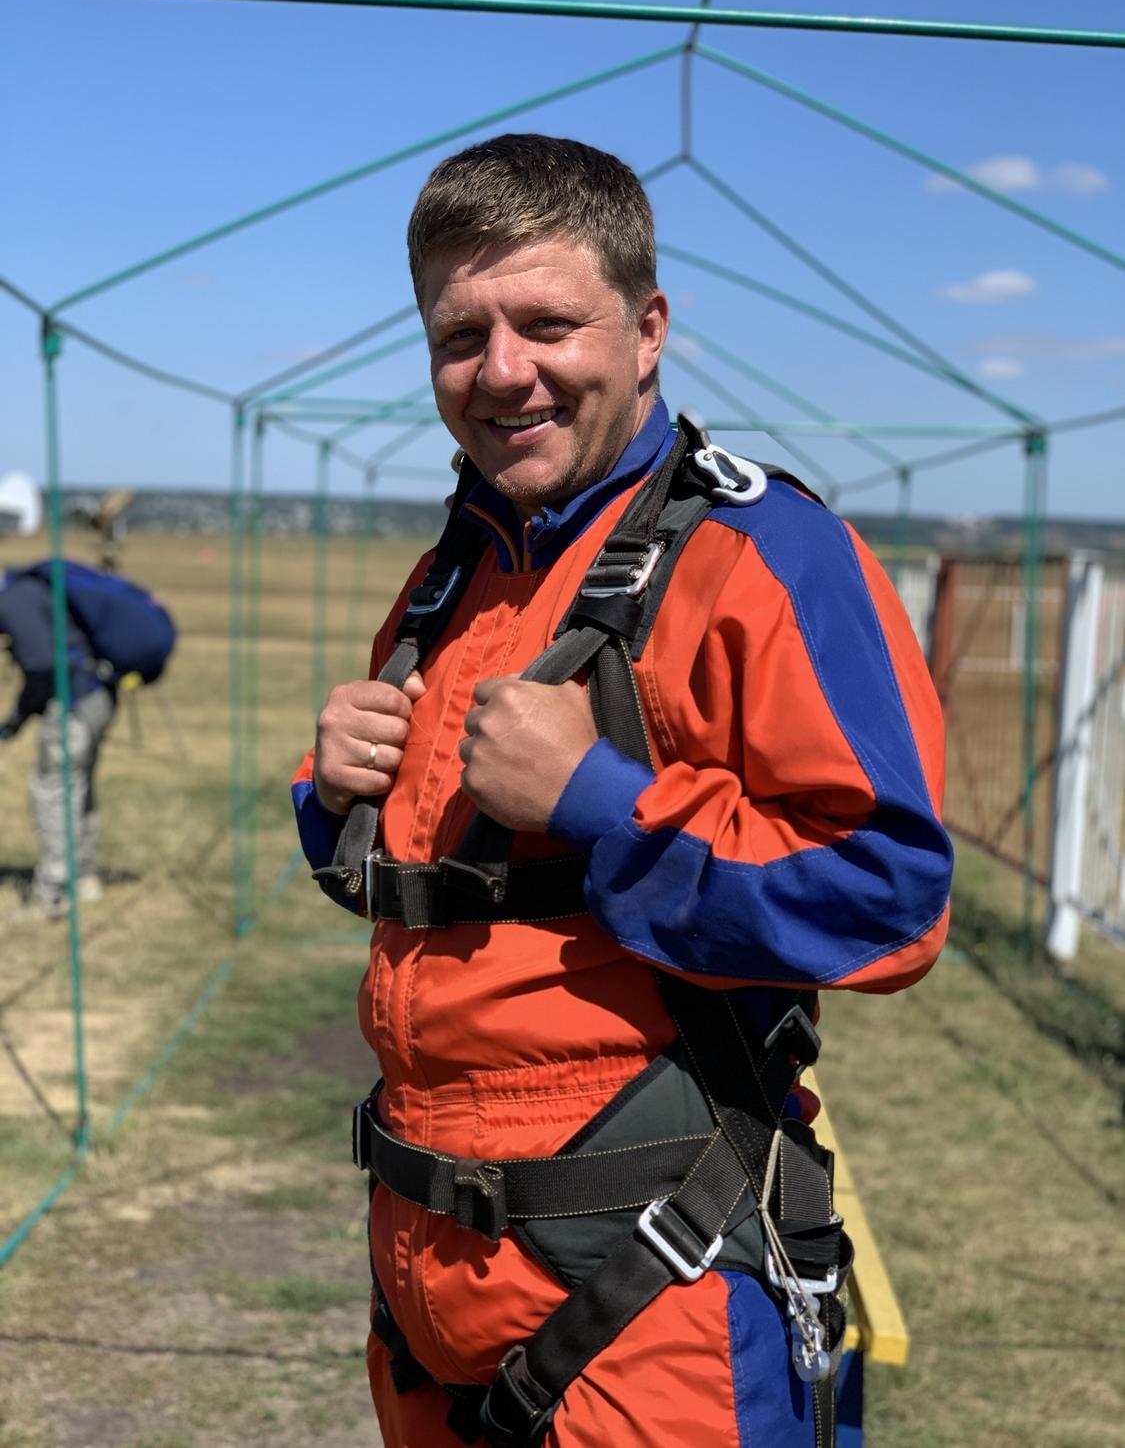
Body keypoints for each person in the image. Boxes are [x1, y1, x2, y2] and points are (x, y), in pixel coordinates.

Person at [292, 134, 953, 1448]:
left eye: (548, 325)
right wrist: (337, 801)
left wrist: (601, 801)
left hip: (649, 1281)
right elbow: (447, 893)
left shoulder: (763, 556)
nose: (502, 371)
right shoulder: (451, 574)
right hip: (427, 1266)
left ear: (647, 331)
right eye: (460, 335)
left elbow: (889, 899)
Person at [0, 559, 173, 918]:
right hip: (98, 694)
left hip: (74, 704)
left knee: (52, 789)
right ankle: (83, 877)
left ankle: (53, 891)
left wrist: (16, 719)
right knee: (77, 785)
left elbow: (42, 667)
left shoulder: (14, 599)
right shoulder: (30, 587)